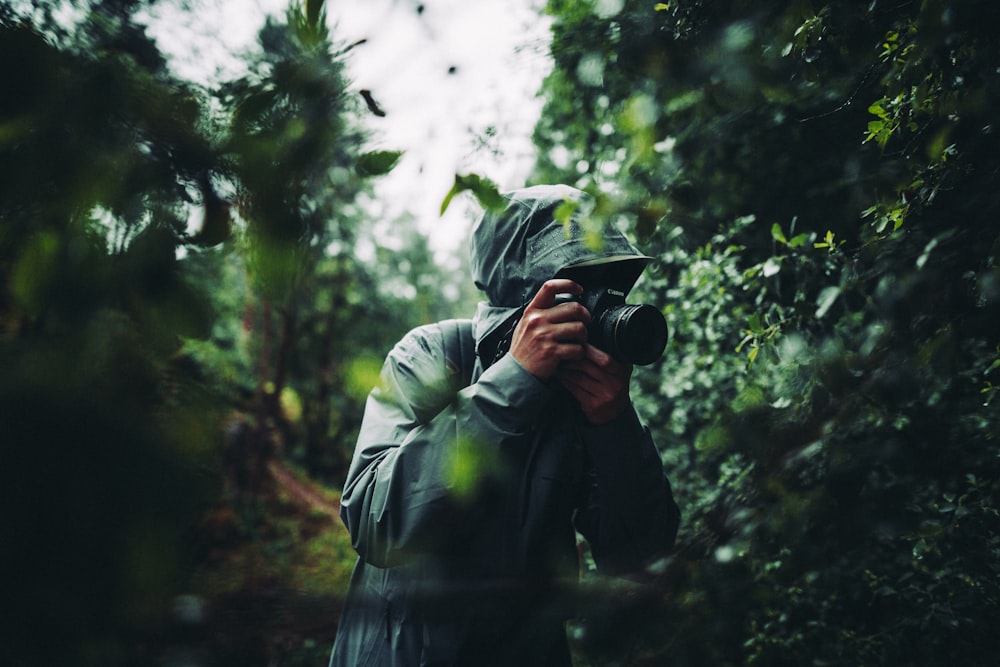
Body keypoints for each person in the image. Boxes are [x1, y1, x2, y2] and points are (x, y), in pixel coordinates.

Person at [329, 184, 680, 666]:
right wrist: (514, 382)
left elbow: (642, 558)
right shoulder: (431, 355)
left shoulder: (583, 397)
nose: (594, 307)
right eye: (578, 289)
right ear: (525, 297)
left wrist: (613, 423)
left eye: (607, 289)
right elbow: (374, 522)